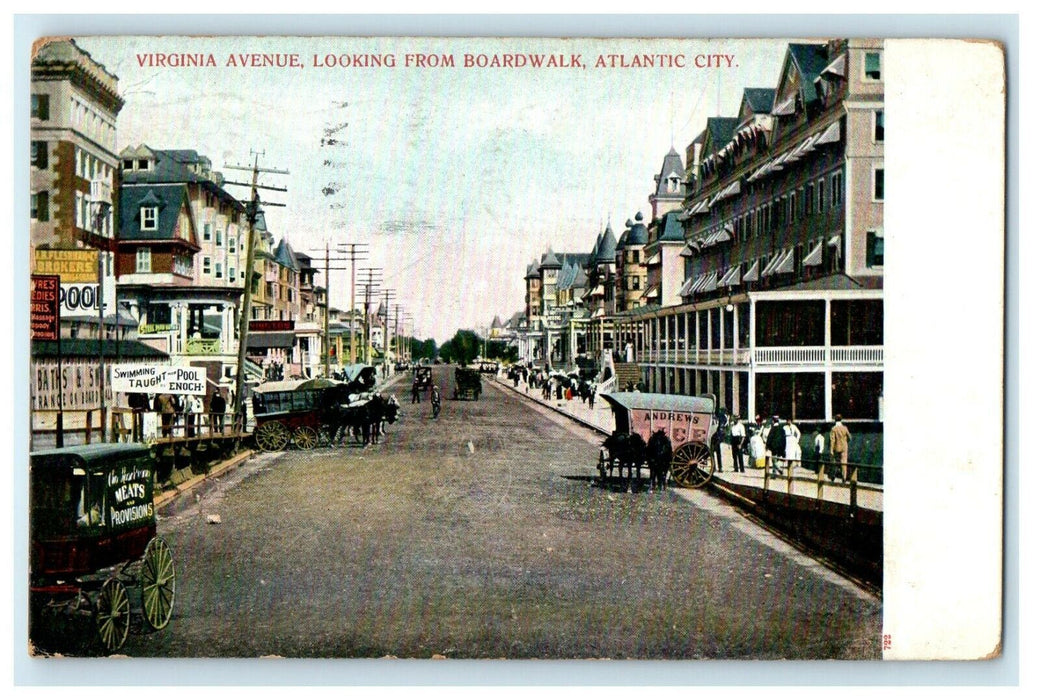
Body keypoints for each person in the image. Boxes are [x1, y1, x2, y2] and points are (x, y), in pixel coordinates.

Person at [829, 415, 852, 482]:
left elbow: (832, 440)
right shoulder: (845, 428)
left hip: (836, 447)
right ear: (841, 420)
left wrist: (831, 449)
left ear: (835, 420)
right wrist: (845, 442)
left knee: (835, 463)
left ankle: (833, 476)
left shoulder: (833, 429)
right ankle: (844, 477)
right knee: (844, 463)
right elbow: (849, 437)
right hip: (844, 447)